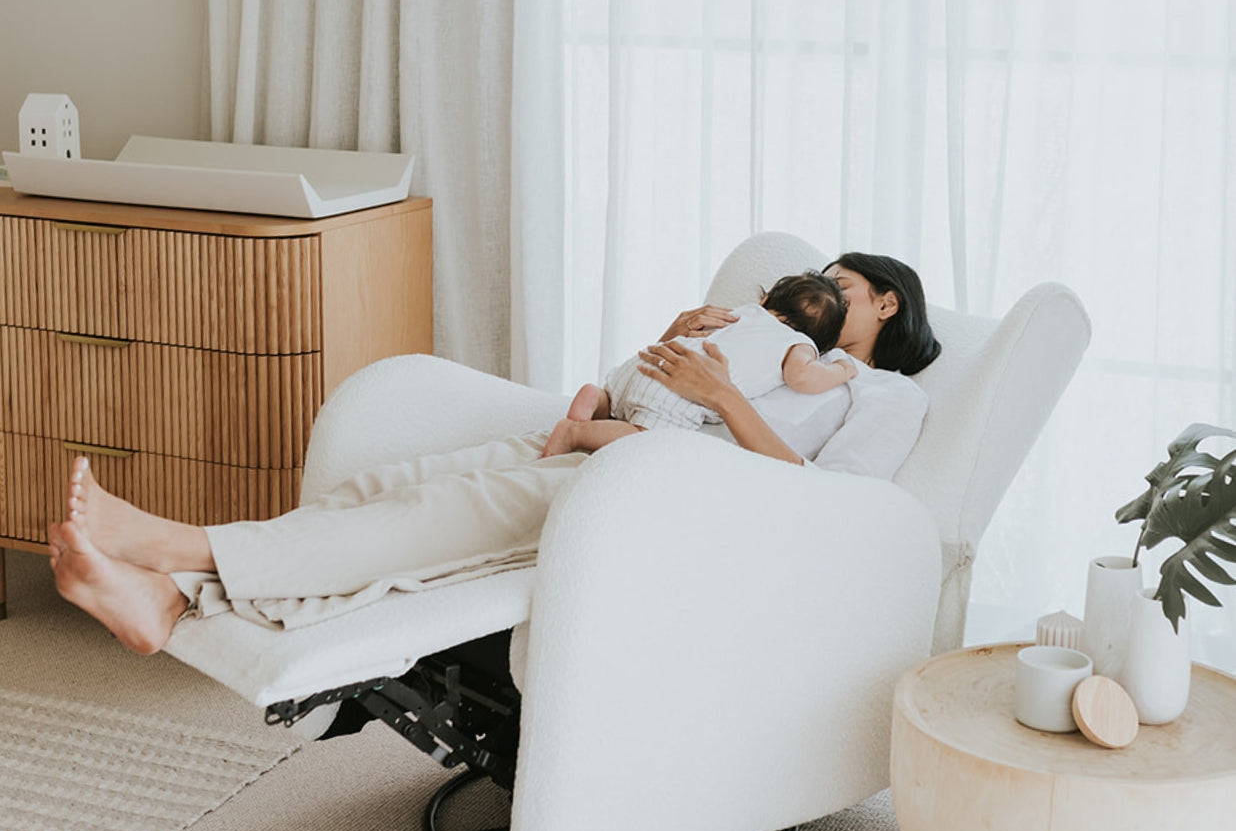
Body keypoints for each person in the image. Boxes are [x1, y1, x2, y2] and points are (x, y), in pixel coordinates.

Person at [48, 252, 940, 656]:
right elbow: (628, 388)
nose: (817, 298)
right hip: (616, 448)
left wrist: (726, 400)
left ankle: (179, 549)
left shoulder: (888, 395)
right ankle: (171, 599)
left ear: (887, 305)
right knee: (393, 487)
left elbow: (833, 508)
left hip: (668, 498)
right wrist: (666, 346)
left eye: (842, 289)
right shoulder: (763, 338)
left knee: (433, 520)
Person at [542, 271, 857, 457]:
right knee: (647, 440)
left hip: (642, 367)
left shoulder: (742, 313)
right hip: (676, 395)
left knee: (619, 404)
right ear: (822, 340)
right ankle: (576, 434)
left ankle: (598, 400)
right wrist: (841, 369)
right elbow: (800, 377)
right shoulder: (798, 345)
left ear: (766, 300)